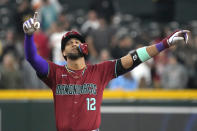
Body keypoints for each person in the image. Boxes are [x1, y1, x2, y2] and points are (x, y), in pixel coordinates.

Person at [23, 12, 190, 131]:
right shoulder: (55, 72)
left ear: (84, 48)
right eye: (69, 43)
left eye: (77, 41)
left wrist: (165, 44)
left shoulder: (99, 71)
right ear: (64, 53)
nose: (73, 44)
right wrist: (29, 36)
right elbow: (32, 58)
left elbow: (133, 58)